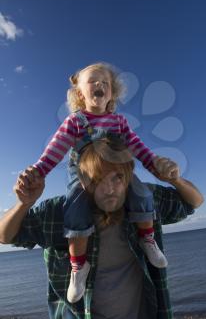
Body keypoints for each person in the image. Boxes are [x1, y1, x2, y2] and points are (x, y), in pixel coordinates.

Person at [0, 138, 204, 319]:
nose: (109, 190)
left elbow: (193, 202)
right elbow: (5, 236)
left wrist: (175, 180)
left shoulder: (145, 202)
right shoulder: (59, 212)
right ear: (83, 182)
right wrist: (23, 204)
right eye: (98, 179)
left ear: (128, 178)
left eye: (117, 177)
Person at [26, 62, 169, 302]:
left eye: (105, 83)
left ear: (112, 93)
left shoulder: (119, 122)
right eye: (93, 81)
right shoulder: (75, 122)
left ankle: (147, 238)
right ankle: (78, 266)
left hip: (115, 172)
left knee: (142, 192)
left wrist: (155, 164)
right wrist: (38, 171)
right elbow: (55, 150)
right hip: (84, 175)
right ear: (80, 93)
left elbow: (138, 147)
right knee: (75, 206)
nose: (100, 85)